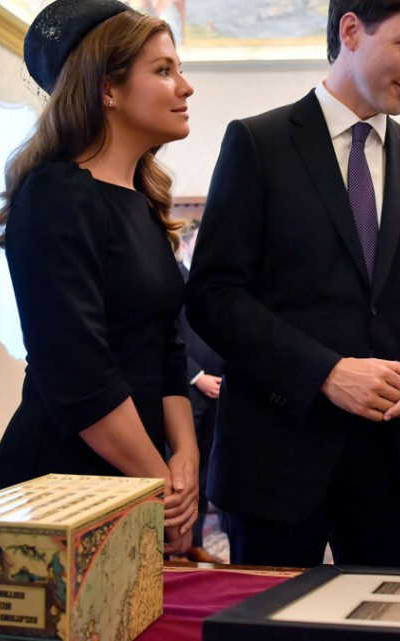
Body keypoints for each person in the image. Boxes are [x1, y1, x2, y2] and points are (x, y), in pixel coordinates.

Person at [185, 0, 400, 568]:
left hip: (395, 466)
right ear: (351, 31)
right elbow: (214, 297)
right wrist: (326, 374)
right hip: (278, 459)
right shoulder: (257, 143)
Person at [0, 0, 199, 554]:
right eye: (164, 70)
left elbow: (166, 348)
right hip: (62, 485)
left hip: (134, 475)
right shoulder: (56, 194)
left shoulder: (142, 203)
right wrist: (157, 484)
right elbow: (78, 371)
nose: (185, 87)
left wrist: (185, 456)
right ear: (107, 89)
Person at [175, 223, 225, 563]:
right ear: (187, 242)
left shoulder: (217, 283)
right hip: (185, 391)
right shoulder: (174, 280)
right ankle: (176, 544)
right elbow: (170, 339)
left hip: (219, 389)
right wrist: (198, 377)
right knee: (183, 469)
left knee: (206, 470)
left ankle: (195, 541)